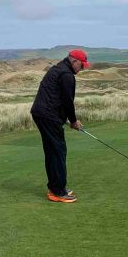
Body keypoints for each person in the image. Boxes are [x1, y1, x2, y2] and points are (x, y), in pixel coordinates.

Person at [30, 49, 89, 203]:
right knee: (57, 151)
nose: (82, 69)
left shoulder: (58, 69)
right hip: (47, 116)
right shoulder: (67, 75)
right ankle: (57, 191)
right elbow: (68, 102)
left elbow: (57, 99)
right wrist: (73, 121)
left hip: (44, 114)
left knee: (53, 151)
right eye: (82, 65)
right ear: (74, 61)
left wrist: (67, 120)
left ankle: (56, 187)